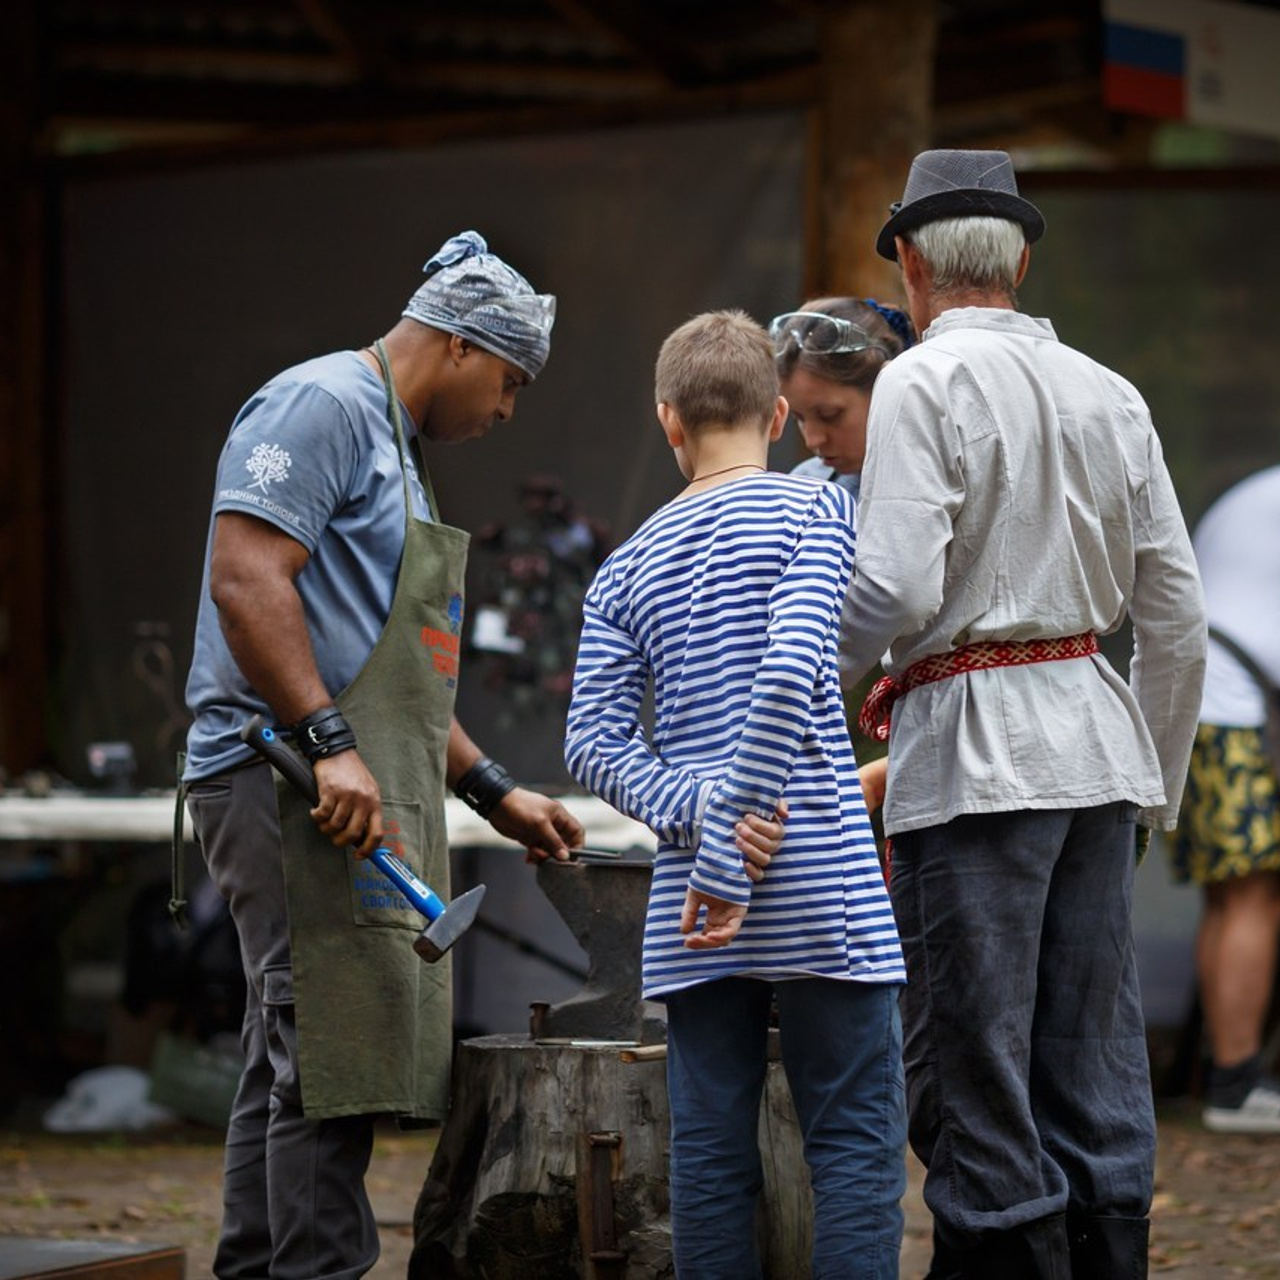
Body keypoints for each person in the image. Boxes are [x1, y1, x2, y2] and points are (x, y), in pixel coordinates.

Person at [181, 231, 588, 1280]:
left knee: (293, 1050)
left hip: (343, 777)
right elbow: (245, 578)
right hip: (281, 775)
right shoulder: (319, 405)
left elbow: (394, 663)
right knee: (331, 1050)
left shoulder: (397, 450)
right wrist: (328, 743)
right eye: (509, 382)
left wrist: (492, 790)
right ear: (458, 345)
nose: (507, 410)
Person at [840, 151, 1207, 1278]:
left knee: (975, 1074)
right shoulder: (1111, 390)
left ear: (910, 263)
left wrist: (814, 679)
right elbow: (1177, 617)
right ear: (1020, 262)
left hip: (974, 759)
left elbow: (895, 586)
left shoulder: (919, 381)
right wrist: (1153, 788)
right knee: (1092, 1065)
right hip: (1099, 756)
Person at [565, 310, 907, 1279]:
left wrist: (703, 823)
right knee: (852, 1148)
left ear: (667, 419)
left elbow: (589, 743)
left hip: (693, 909)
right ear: (776, 415)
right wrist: (736, 828)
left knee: (709, 1160)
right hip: (821, 885)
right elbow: (793, 667)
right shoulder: (813, 512)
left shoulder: (626, 565)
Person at [1169, 464, 1280, 1132]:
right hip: (1230, 710)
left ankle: (1223, 1072)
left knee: (1232, 895)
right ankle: (1234, 1085)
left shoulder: (1256, 493)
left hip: (1203, 704)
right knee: (1250, 894)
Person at [769, 296, 916, 509]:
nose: (812, 441)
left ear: (884, 389)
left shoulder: (932, 483)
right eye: (798, 418)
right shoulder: (804, 484)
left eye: (829, 415)